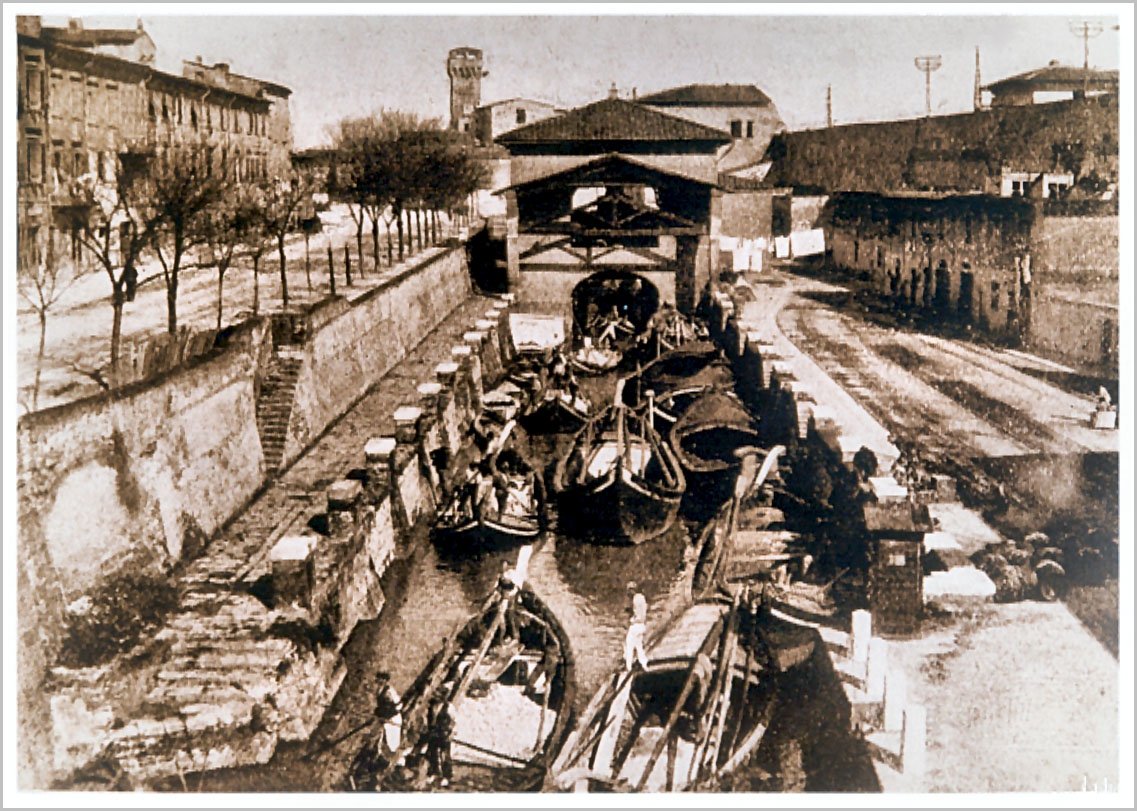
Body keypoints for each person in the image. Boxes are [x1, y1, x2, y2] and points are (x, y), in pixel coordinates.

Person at [426, 698, 455, 787]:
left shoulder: (448, 710)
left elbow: (451, 725)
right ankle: (433, 772)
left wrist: (447, 733)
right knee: (432, 752)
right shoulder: (435, 708)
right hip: (436, 734)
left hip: (444, 736)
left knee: (445, 755)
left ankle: (446, 776)